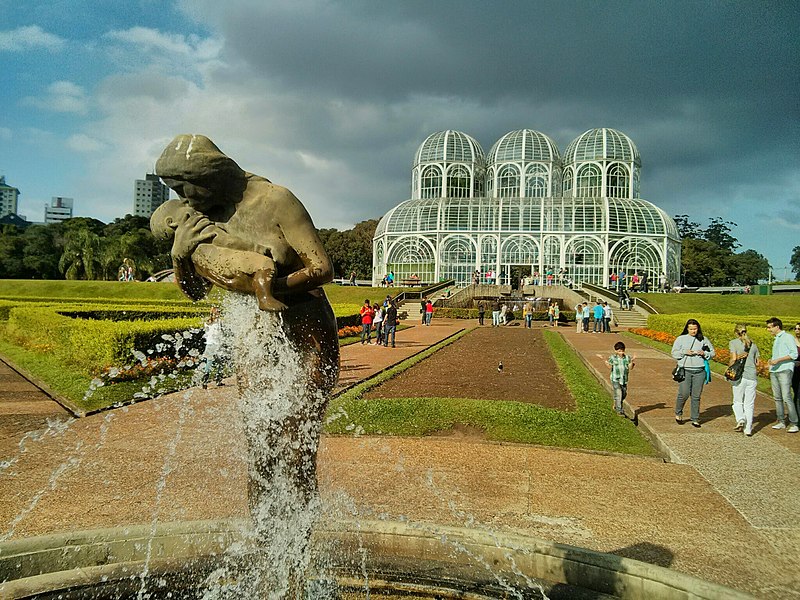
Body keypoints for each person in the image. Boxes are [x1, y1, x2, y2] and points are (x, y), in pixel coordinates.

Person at [155, 134, 340, 561]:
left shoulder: (277, 201)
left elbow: (322, 268)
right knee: (259, 447)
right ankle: (264, 552)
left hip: (307, 331)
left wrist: (266, 284)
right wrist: (182, 256)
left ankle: (297, 557)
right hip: (258, 337)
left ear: (211, 174)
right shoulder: (200, 215)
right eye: (176, 192)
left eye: (187, 187)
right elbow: (197, 294)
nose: (184, 199)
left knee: (295, 448)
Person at [151, 198, 287, 312]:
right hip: (225, 261)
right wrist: (256, 247)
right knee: (264, 265)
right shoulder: (202, 228)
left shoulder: (191, 252)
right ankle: (265, 297)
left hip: (215, 267)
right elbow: (227, 241)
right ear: (171, 222)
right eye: (184, 205)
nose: (191, 206)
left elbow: (198, 292)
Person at [671, 319, 715, 427]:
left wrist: (704, 353)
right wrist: (684, 352)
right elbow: (674, 353)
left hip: (699, 370)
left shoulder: (703, 339)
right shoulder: (681, 339)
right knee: (684, 393)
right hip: (685, 370)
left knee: (696, 396)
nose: (693, 331)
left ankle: (695, 418)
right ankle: (678, 412)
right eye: (691, 329)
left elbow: (712, 352)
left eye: (695, 329)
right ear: (687, 329)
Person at [766, 317, 799, 432]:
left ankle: (794, 423)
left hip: (784, 370)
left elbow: (794, 354)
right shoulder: (776, 339)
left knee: (786, 397)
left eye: (770, 327)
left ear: (777, 327)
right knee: (777, 397)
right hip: (774, 370)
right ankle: (781, 421)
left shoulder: (787, 337)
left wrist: (778, 360)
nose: (768, 330)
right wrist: (772, 361)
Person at [728, 324, 760, 436]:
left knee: (737, 401)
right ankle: (748, 429)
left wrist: (732, 363)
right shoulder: (753, 345)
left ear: (736, 332)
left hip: (740, 376)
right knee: (749, 404)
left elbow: (733, 359)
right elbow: (757, 363)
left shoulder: (733, 343)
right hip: (752, 376)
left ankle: (740, 419)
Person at [607, 341, 635, 417]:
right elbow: (610, 366)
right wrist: (606, 362)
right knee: (618, 392)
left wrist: (632, 362)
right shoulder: (613, 358)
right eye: (619, 351)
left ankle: (616, 403)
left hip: (624, 379)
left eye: (622, 351)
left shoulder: (627, 358)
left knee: (624, 393)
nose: (621, 353)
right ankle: (619, 410)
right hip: (615, 378)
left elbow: (630, 368)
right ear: (615, 351)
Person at [201, 306, 226, 388]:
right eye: (219, 312)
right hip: (216, 345)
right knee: (220, 363)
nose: (220, 314)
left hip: (209, 344)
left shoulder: (207, 322)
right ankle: (218, 380)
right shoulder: (219, 322)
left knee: (209, 362)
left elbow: (207, 333)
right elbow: (221, 332)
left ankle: (205, 381)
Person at [793, 322, 800, 410]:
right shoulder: (792, 341)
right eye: (796, 329)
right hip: (795, 371)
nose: (797, 330)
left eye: (799, 329)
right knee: (797, 394)